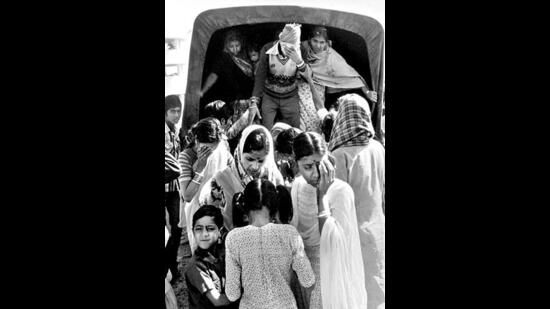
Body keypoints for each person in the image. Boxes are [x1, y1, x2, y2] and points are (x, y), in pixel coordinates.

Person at [289, 131, 367, 309]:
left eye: (320, 165)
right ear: (296, 164)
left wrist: (322, 196)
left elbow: (334, 243)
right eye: (307, 166)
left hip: (331, 274)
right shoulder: (298, 185)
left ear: (328, 160)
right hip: (304, 273)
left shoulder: (341, 191)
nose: (315, 174)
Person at [329, 94, 385, 309]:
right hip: (378, 228)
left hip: (354, 232)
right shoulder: (378, 148)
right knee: (378, 286)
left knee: (358, 290)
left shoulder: (339, 154)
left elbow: (337, 202)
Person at [225, 179, 315, 309]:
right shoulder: (290, 234)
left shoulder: (234, 238)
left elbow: (232, 294)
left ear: (245, 205)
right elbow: (308, 281)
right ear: (274, 205)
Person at [201, 124, 284, 231]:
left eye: (261, 161)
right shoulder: (222, 179)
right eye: (249, 159)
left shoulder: (274, 177)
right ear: (240, 153)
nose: (255, 166)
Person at [178, 117, 233, 252]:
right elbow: (187, 196)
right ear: (196, 141)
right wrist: (200, 169)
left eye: (212, 149)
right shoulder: (186, 157)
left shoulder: (221, 150)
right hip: (194, 216)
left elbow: (232, 171)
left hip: (219, 214)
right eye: (205, 149)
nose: (210, 153)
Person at [301, 26, 378, 111]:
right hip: (305, 83)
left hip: (329, 91)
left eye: (322, 42)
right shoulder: (304, 48)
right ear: (309, 40)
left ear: (327, 43)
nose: (318, 46)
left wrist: (367, 92)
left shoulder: (332, 57)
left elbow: (352, 76)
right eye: (315, 41)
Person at [249, 23, 308, 130]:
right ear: (281, 41)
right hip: (269, 96)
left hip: (290, 97)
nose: (291, 49)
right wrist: (254, 102)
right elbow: (260, 76)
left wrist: (299, 61)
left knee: (295, 129)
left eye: (294, 46)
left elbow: (308, 76)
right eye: (288, 46)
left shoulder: (301, 51)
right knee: (266, 129)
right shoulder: (267, 49)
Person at [184, 205, 239, 309]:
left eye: (210, 229)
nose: (204, 234)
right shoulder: (196, 266)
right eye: (199, 229)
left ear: (220, 231)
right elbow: (218, 300)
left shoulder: (223, 253)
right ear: (193, 231)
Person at [199, 30, 254, 104]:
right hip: (232, 98)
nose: (235, 49)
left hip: (249, 97)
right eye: (231, 46)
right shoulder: (223, 58)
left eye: (237, 46)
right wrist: (203, 91)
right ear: (226, 46)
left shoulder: (245, 55)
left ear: (241, 44)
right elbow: (213, 75)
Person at [165, 95, 183, 281]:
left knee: (177, 227)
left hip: (174, 188)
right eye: (172, 111)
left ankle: (172, 266)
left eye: (178, 111)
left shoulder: (176, 130)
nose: (176, 115)